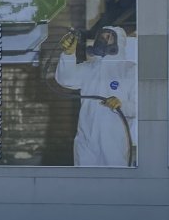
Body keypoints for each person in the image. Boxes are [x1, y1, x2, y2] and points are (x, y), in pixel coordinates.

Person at [53, 25, 137, 167]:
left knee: (114, 181)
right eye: (102, 36)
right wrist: (68, 55)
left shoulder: (130, 70)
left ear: (119, 42)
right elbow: (66, 79)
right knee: (84, 180)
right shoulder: (89, 68)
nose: (103, 40)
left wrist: (121, 104)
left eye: (108, 37)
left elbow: (140, 107)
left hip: (114, 140)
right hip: (86, 139)